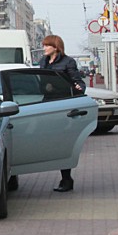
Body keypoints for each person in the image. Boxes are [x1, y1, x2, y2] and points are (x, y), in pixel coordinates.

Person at [39, 35, 86, 193]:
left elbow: (77, 81)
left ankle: (66, 178)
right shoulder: (43, 62)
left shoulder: (68, 62)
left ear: (56, 47)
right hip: (47, 104)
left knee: (62, 142)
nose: (44, 48)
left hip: (63, 104)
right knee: (48, 142)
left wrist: (79, 87)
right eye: (44, 45)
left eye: (47, 45)